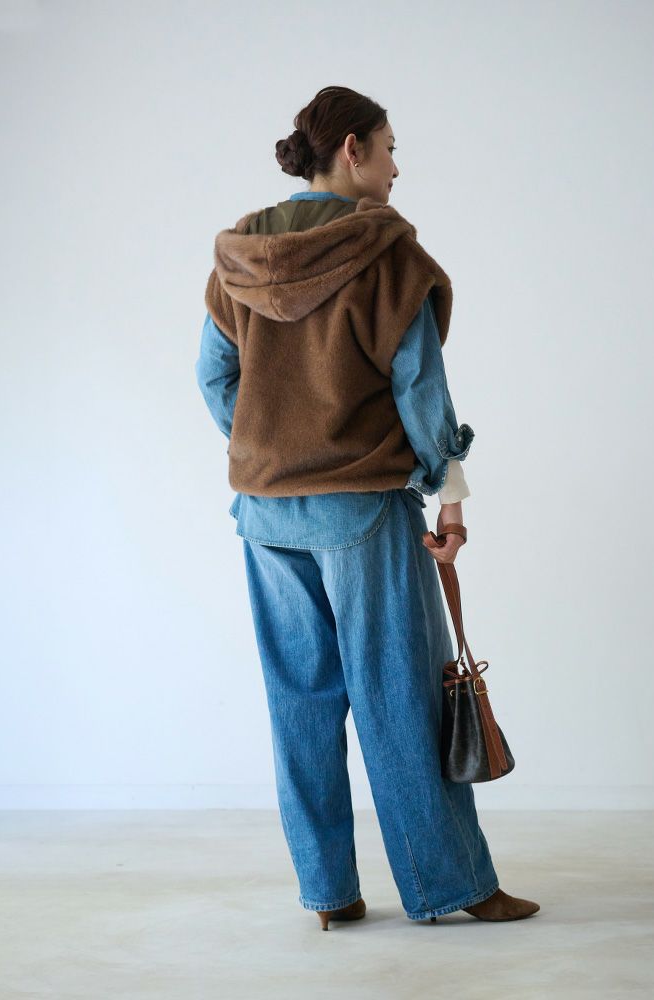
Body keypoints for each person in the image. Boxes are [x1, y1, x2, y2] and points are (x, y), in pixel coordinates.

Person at [195, 85, 540, 930]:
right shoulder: (386, 253)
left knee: (300, 707)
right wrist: (449, 500)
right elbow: (421, 389)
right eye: (388, 147)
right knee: (399, 700)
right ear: (351, 150)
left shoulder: (241, 256)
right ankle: (450, 886)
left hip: (266, 516)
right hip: (363, 509)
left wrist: (272, 449)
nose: (395, 167)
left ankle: (330, 895)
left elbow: (214, 378)